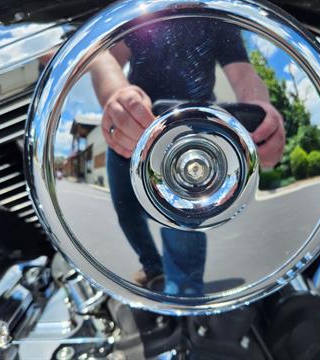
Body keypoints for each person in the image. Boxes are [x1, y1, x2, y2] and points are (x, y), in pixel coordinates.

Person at [90, 19, 285, 295]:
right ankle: (152, 268)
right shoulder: (141, 13)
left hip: (193, 135)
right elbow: (106, 57)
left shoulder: (215, 18)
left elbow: (243, 74)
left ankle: (185, 293)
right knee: (127, 212)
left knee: (182, 221)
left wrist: (261, 112)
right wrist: (117, 96)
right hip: (133, 129)